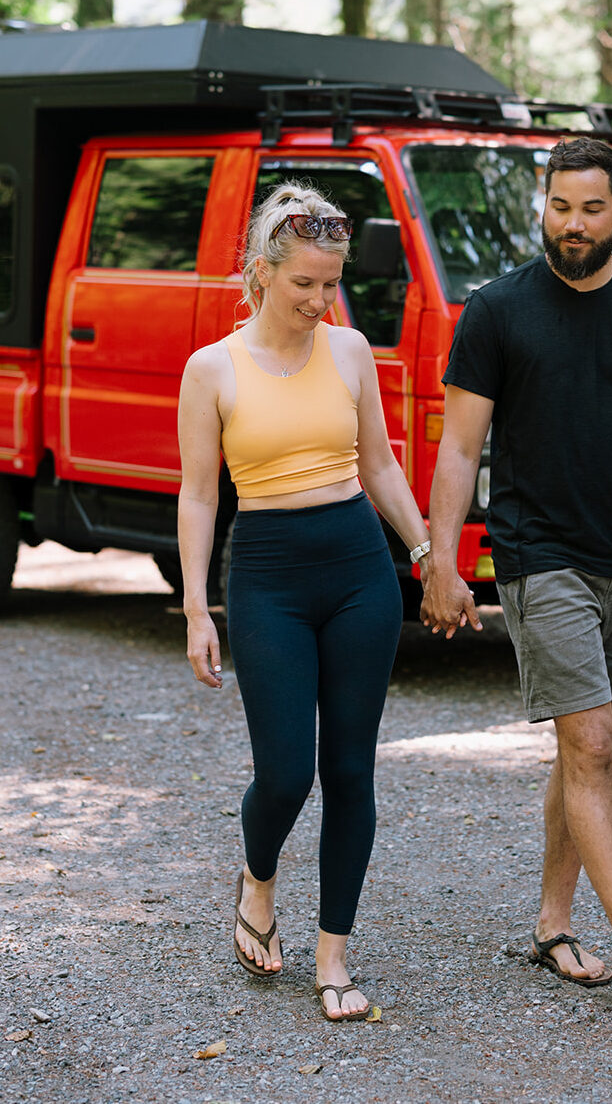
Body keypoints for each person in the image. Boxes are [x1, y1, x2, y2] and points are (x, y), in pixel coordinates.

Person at [421, 137, 612, 1024]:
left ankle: (553, 925)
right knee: (592, 745)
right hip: (538, 552)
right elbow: (460, 449)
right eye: (561, 208)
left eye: (591, 209)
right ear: (543, 206)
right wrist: (442, 561)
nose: (574, 225)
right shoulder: (497, 310)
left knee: (583, 747)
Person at [177, 181, 431, 1022]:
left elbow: (381, 465)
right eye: (304, 284)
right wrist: (196, 610)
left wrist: (426, 552)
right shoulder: (212, 369)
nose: (321, 301)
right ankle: (257, 881)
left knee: (350, 769)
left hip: (358, 568)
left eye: (332, 283)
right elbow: (199, 496)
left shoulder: (351, 351)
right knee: (285, 772)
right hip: (268, 577)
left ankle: (333, 956)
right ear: (262, 271)